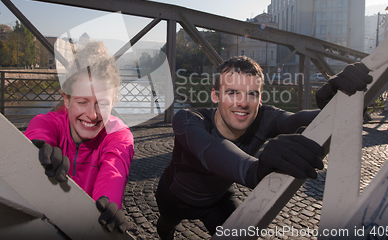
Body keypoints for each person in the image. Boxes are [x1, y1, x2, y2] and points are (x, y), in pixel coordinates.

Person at [155, 56, 372, 239]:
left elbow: (296, 120)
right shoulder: (188, 120)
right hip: (173, 198)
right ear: (215, 96)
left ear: (260, 100)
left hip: (217, 201)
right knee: (166, 228)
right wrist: (255, 170)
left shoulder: (264, 118)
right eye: (232, 92)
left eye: (252, 94)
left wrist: (340, 105)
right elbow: (211, 149)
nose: (243, 103)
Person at [24, 41, 134, 233]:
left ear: (114, 101)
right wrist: (37, 151)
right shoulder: (50, 123)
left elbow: (114, 170)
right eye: (82, 102)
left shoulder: (118, 136)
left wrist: (106, 203)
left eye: (102, 104)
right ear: (66, 99)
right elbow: (39, 132)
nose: (92, 115)